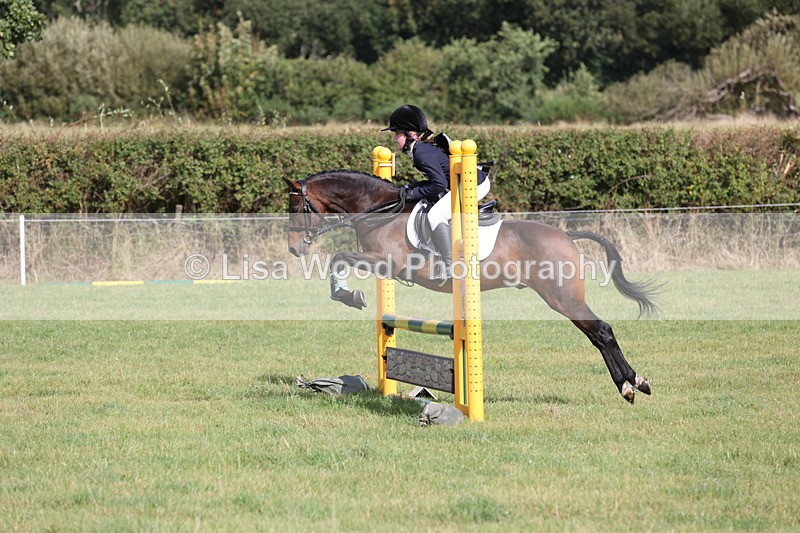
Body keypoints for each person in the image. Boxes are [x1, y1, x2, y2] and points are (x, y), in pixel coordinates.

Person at [383, 104, 490, 278]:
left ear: (411, 135)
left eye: (397, 134)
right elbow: (435, 180)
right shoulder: (420, 149)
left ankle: (450, 266)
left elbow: (438, 184)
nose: (395, 138)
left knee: (435, 215)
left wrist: (413, 194)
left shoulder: (421, 153)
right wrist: (413, 186)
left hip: (473, 184)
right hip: (463, 183)